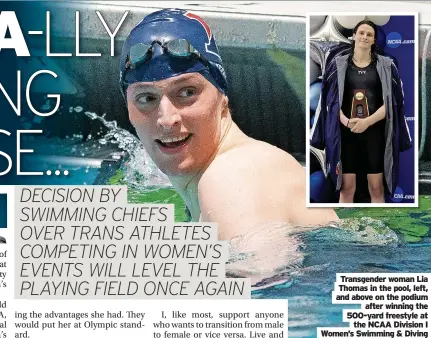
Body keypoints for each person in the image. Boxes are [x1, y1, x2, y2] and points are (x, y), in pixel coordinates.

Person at [119, 8, 338, 245]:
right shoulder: (237, 168)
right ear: (128, 109)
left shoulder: (228, 179)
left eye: (187, 92)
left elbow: (266, 279)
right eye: (146, 98)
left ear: (222, 97)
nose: (166, 118)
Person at [311, 20, 411, 203]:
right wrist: (345, 121)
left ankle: (377, 231)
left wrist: (367, 122)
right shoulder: (337, 65)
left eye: (369, 34)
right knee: (346, 188)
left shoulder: (387, 66)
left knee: (377, 188)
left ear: (374, 40)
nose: (365, 37)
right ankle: (343, 231)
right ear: (354, 36)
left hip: (375, 135)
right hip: (346, 136)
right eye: (362, 33)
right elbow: (330, 102)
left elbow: (393, 104)